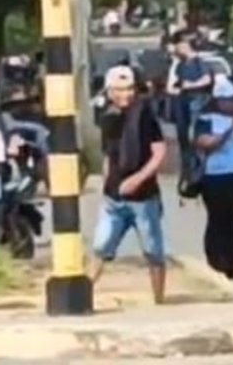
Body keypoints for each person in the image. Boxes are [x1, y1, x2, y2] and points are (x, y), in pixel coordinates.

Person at [91, 66, 168, 304]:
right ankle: (82, 296)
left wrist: (138, 179)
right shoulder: (107, 117)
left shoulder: (145, 115)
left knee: (153, 251)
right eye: (117, 90)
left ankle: (159, 300)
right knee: (100, 248)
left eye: (127, 89)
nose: (123, 95)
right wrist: (106, 184)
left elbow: (159, 152)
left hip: (143, 198)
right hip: (114, 198)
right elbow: (108, 155)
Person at [193, 77, 233, 280]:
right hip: (214, 175)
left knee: (232, 220)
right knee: (217, 219)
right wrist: (229, 130)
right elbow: (205, 143)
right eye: (228, 100)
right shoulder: (206, 120)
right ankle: (216, 261)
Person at [170, 31, 213, 170]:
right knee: (182, 133)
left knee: (194, 132)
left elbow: (207, 79)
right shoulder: (180, 65)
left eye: (179, 45)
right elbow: (174, 83)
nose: (177, 48)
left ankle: (199, 162)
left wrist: (190, 85)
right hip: (182, 101)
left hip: (197, 99)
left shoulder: (199, 61)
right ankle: (187, 163)